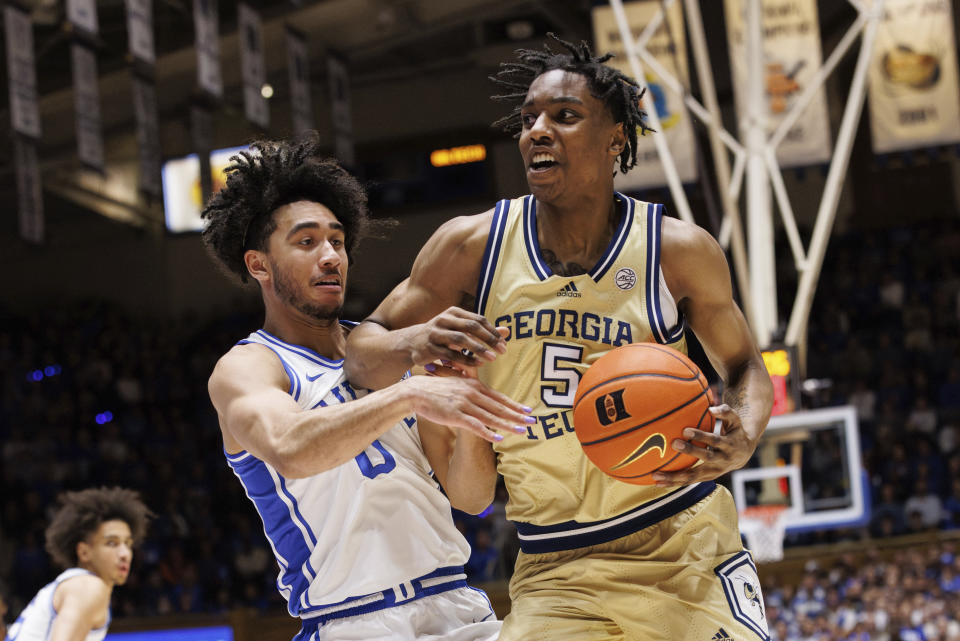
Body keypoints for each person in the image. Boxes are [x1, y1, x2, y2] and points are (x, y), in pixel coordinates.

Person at [345, 35, 775, 640]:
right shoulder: (472, 247)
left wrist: (745, 434)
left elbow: (745, 368)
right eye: (528, 121)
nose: (536, 132)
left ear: (615, 139)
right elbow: (361, 355)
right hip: (554, 566)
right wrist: (412, 344)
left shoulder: (676, 250)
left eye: (564, 117)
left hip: (680, 542)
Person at [201, 138, 533, 641]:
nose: (330, 256)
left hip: (457, 606)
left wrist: (467, 404)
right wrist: (411, 396)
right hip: (353, 622)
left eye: (336, 240)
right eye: (306, 242)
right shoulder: (249, 367)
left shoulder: (387, 352)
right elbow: (292, 448)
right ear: (259, 264)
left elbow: (471, 497)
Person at [4, 487, 150, 641]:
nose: (124, 554)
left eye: (127, 543)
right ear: (84, 552)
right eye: (112, 543)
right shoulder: (87, 587)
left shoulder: (76, 583)